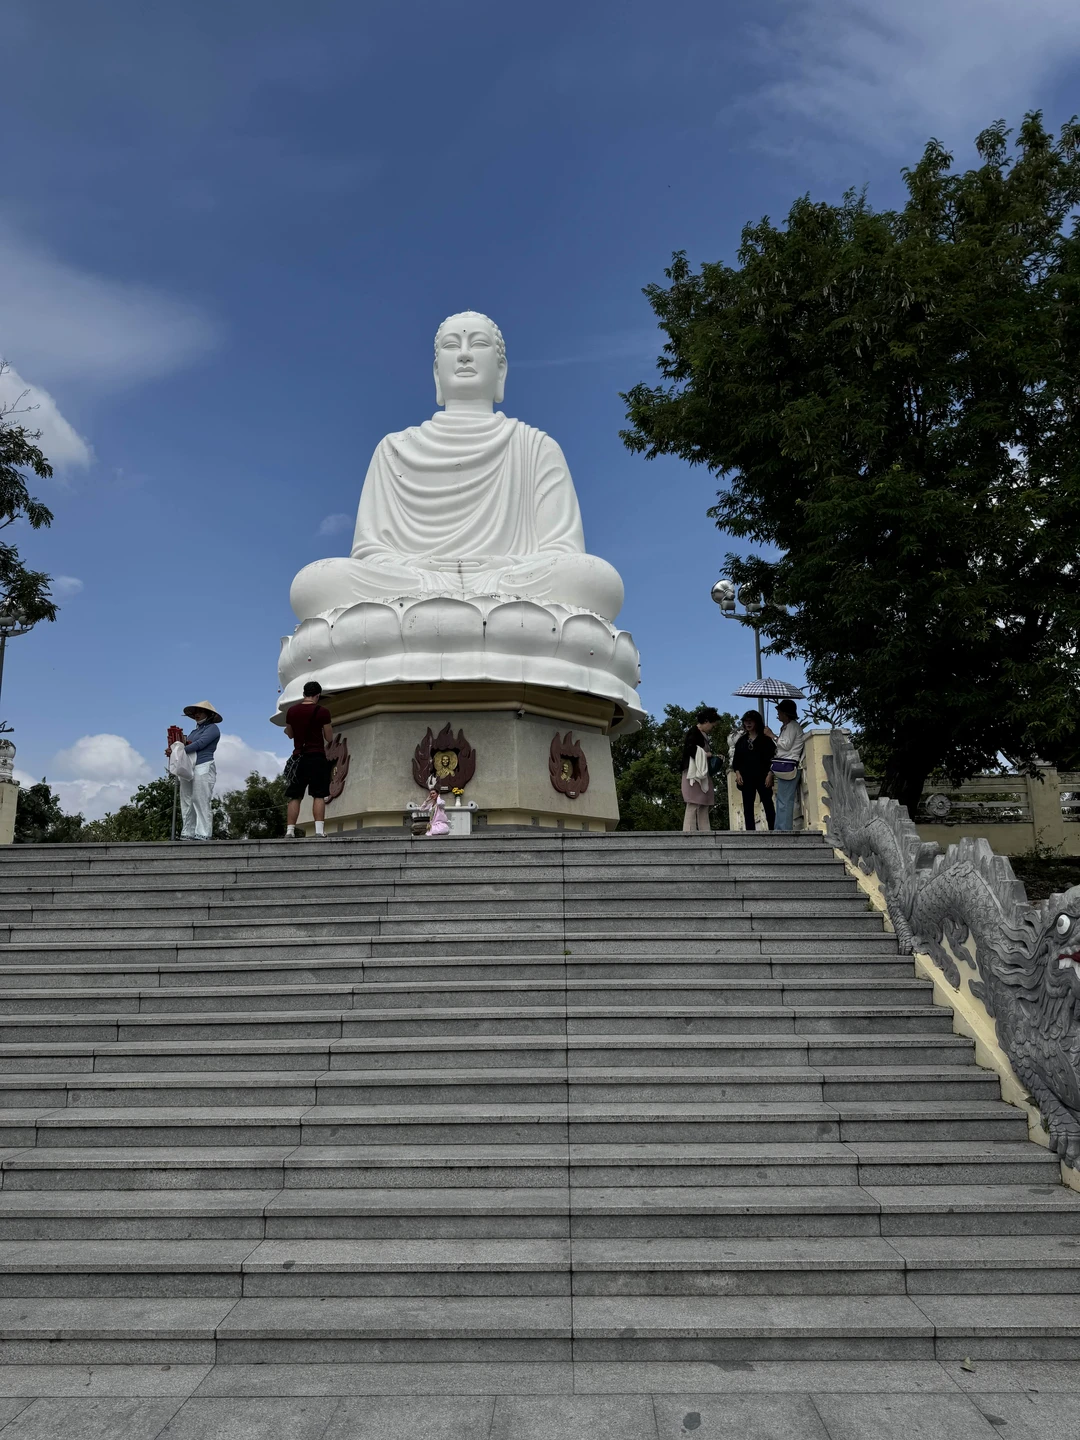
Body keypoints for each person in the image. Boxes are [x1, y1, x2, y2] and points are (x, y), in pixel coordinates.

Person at [284, 680, 335, 838]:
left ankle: (290, 831)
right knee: (318, 794)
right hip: (317, 756)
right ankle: (319, 831)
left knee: (295, 795)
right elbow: (329, 737)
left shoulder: (292, 711)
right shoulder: (322, 712)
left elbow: (290, 734)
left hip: (299, 757)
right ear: (318, 695)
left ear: (304, 693)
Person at [172, 701, 221, 842]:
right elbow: (187, 745)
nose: (197, 715)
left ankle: (203, 833)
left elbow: (200, 744)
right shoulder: (194, 732)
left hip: (204, 765)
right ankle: (188, 832)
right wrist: (174, 750)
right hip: (189, 766)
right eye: (195, 713)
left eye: (200, 712)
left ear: (209, 714)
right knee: (186, 800)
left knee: (200, 799)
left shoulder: (213, 729)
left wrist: (178, 751)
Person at [732, 710, 776, 831]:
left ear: (757, 722)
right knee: (747, 806)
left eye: (751, 721)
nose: (748, 723)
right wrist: (738, 773)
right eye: (746, 721)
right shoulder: (741, 741)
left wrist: (770, 774)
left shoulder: (766, 740)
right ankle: (750, 832)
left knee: (768, 803)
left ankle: (774, 829)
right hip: (746, 778)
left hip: (763, 776)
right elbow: (736, 761)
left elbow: (773, 758)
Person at [768, 699, 806, 832]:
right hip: (786, 765)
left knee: (784, 800)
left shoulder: (792, 726)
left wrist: (772, 736)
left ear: (785, 713)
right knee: (781, 800)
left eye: (779, 711)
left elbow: (786, 745)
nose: (778, 714)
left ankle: (783, 829)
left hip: (790, 765)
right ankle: (780, 827)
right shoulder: (787, 727)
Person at [680, 706, 720, 832]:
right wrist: (706, 754)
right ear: (706, 721)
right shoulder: (693, 733)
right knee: (693, 803)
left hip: (702, 773)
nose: (712, 729)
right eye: (712, 725)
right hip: (694, 774)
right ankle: (689, 833)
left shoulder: (702, 735)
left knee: (704, 804)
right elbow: (690, 750)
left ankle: (705, 832)